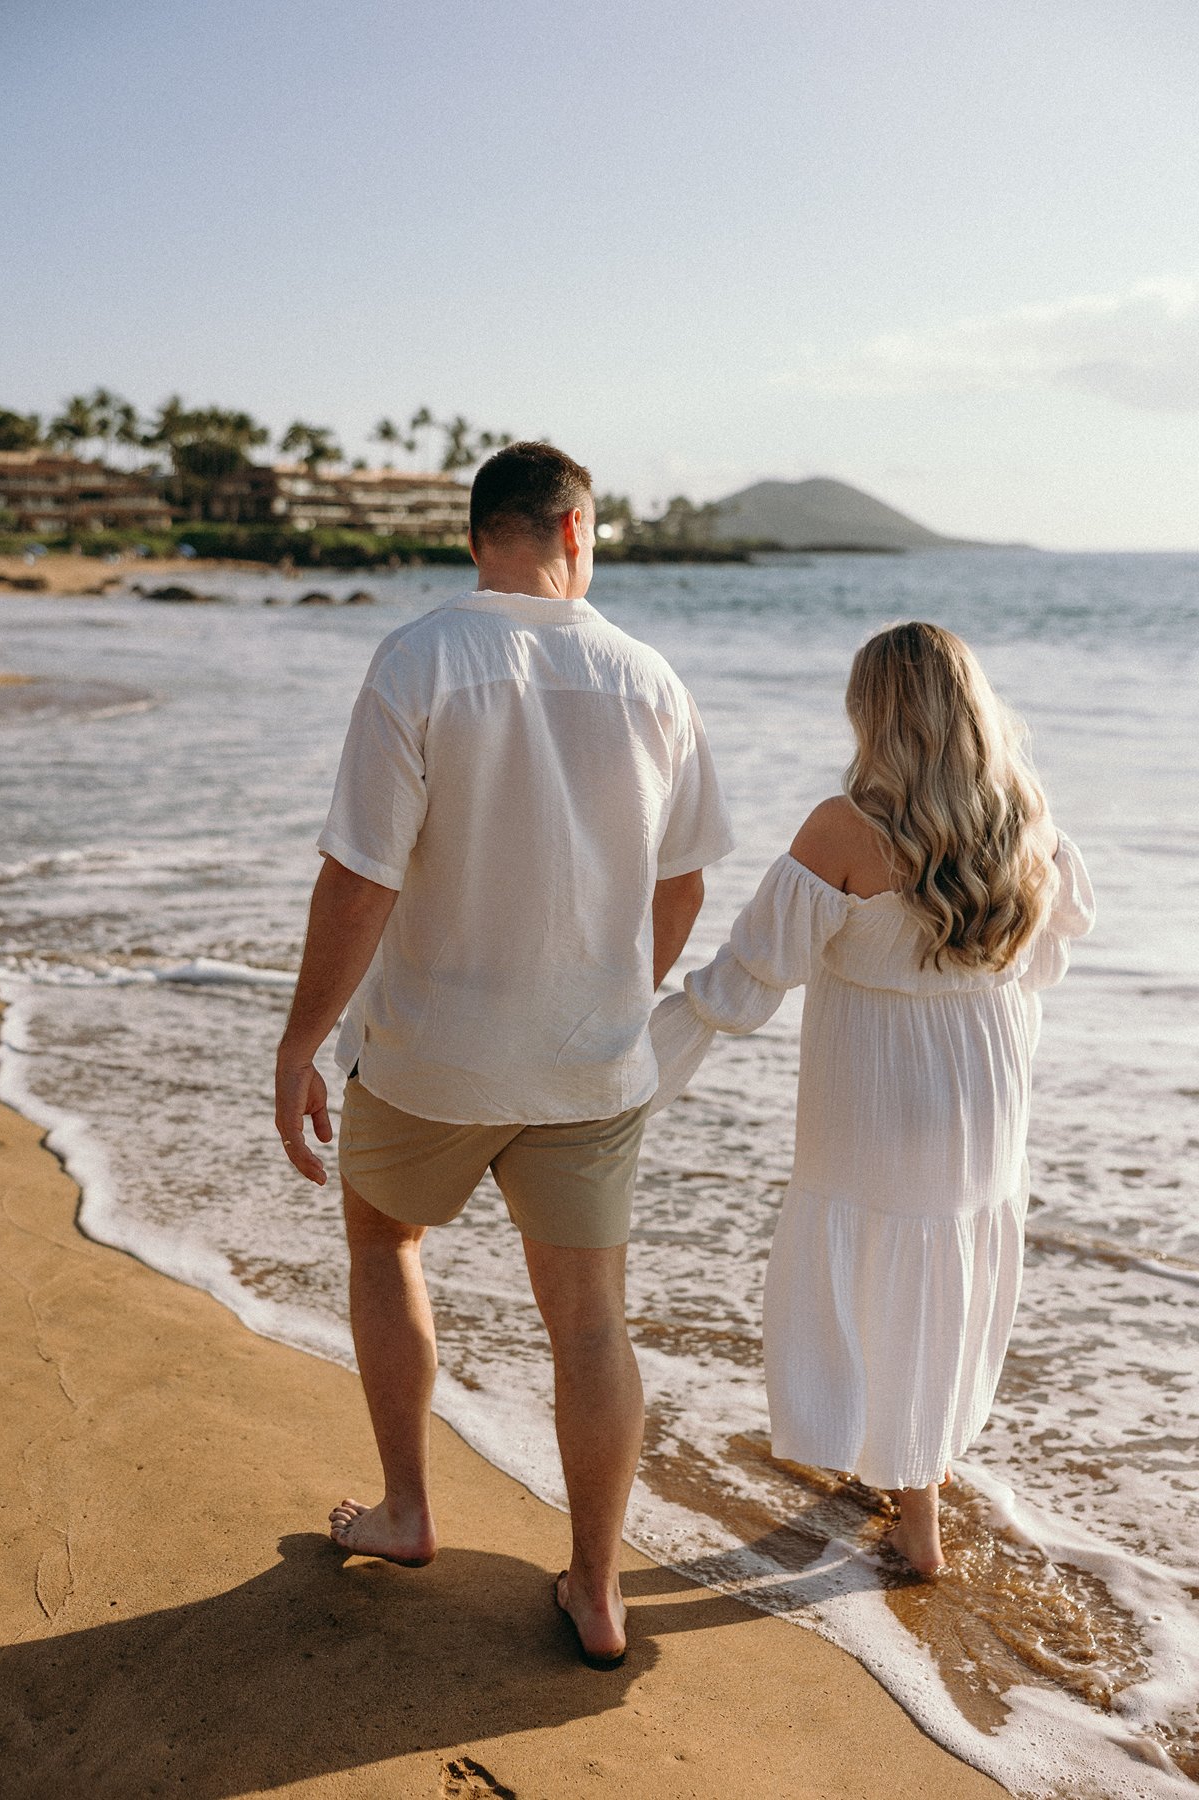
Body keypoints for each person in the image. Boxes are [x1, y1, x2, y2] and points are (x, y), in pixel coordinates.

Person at [275, 441, 733, 1666]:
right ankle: (596, 1587)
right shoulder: (649, 676)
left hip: (431, 1053)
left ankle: (408, 1510)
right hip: (590, 1064)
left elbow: (360, 877)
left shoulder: (420, 657)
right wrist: (617, 995)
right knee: (588, 1317)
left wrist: (301, 1038)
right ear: (575, 534)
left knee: (384, 1240)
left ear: (479, 538)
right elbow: (685, 879)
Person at [649, 621, 1095, 1576]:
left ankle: (912, 1508)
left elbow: (749, 977)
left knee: (877, 1273)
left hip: (876, 1089)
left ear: (873, 714)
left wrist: (632, 1047)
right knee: (940, 1273)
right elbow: (1048, 952)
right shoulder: (1025, 812)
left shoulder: (844, 827)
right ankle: (916, 1486)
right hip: (984, 1089)